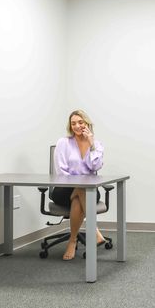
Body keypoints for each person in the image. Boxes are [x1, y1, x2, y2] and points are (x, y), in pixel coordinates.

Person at [51, 109, 107, 261]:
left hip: (88, 190)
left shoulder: (96, 144)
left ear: (87, 123)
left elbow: (96, 166)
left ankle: (72, 241)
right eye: (73, 123)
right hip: (64, 189)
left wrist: (91, 143)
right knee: (81, 187)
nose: (77, 126)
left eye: (80, 122)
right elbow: (61, 171)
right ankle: (94, 230)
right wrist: (77, 182)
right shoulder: (63, 143)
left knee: (79, 196)